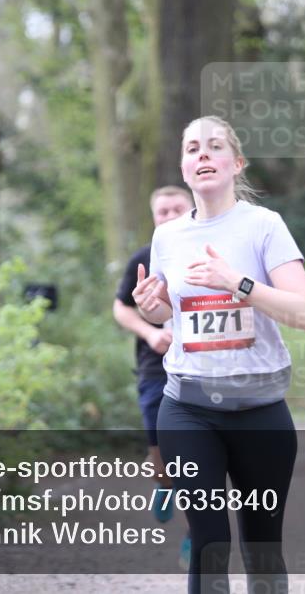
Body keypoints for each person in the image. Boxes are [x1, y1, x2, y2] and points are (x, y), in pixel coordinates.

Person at [132, 116, 305, 594]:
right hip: (188, 408)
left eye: (214, 147)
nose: (203, 155)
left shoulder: (263, 226)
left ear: (236, 163)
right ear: (184, 165)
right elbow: (167, 318)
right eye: (192, 148)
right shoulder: (167, 237)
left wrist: (237, 282)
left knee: (262, 545)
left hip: (260, 411)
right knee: (209, 541)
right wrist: (152, 310)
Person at [113, 185, 193, 559]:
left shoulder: (210, 257)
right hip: (154, 369)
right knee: (162, 454)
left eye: (178, 208)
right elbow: (121, 309)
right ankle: (164, 483)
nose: (171, 215)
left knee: (199, 455)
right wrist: (151, 332)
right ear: (154, 217)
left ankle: (197, 533)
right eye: (163, 211)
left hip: (202, 369)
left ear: (193, 209)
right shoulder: (144, 259)